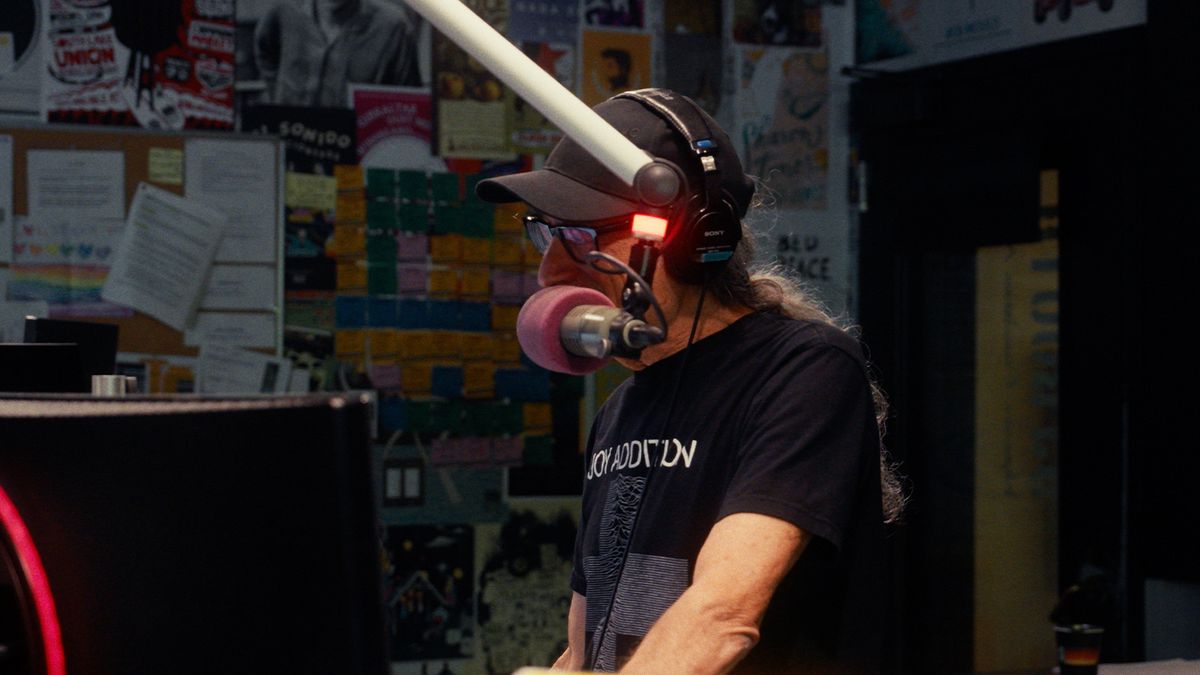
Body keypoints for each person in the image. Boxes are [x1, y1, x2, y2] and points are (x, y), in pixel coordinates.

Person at [476, 89, 904, 674]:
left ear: (692, 240)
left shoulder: (805, 371)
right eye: (545, 235)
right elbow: (586, 650)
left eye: (579, 237)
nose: (549, 270)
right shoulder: (620, 410)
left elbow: (722, 617)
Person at [254, 0, 421, 107]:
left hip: (358, 145)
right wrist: (279, 94)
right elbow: (266, 54)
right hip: (293, 138)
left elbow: (410, 104)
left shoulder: (393, 27)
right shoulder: (282, 12)